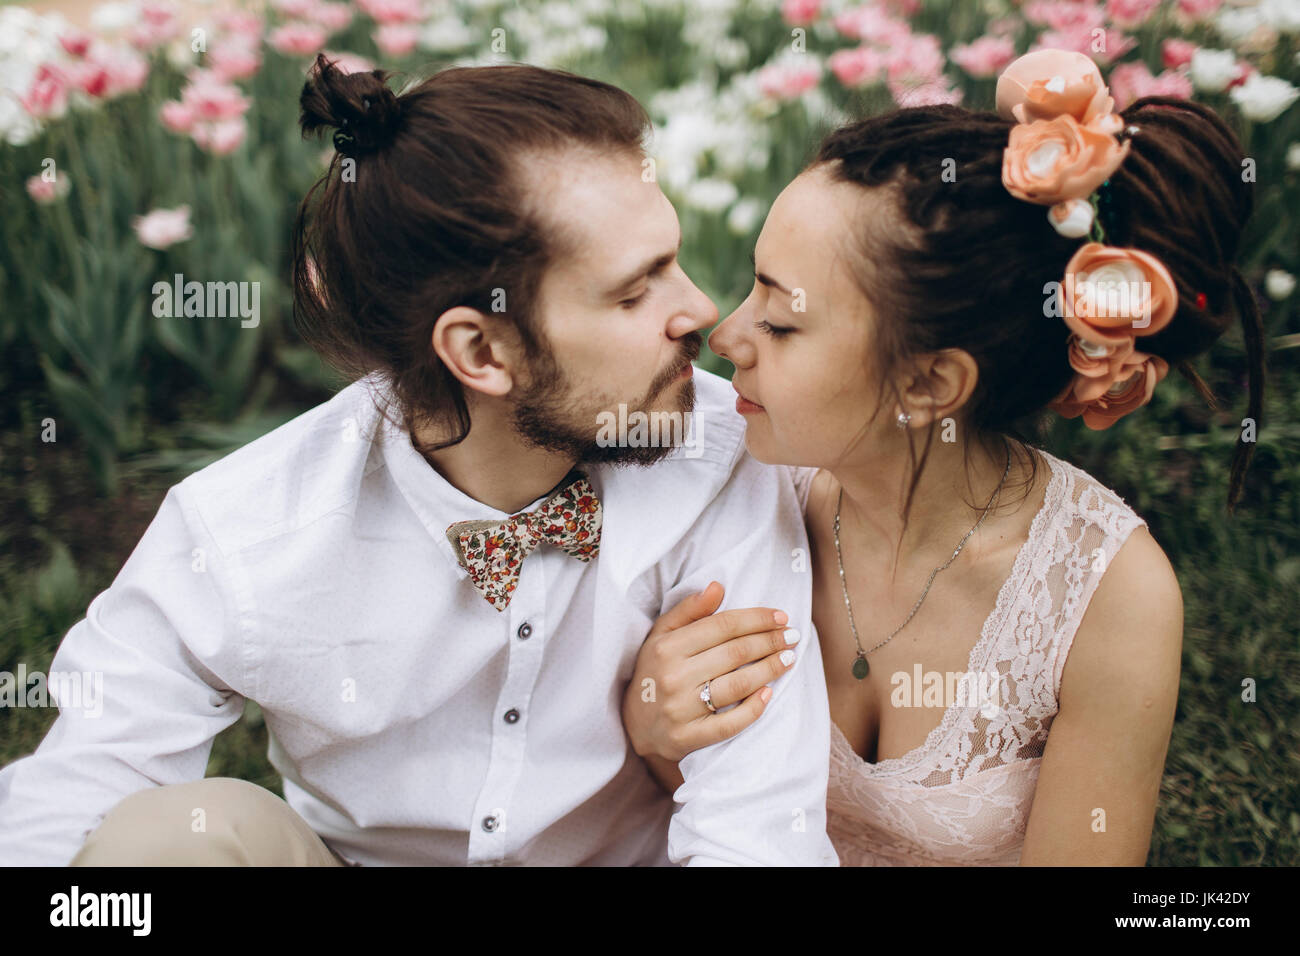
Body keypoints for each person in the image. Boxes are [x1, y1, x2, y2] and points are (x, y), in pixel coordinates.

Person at [0, 53, 838, 867]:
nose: (699, 309)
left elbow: (758, 830)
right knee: (173, 839)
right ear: (480, 350)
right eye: (635, 290)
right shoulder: (246, 525)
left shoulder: (723, 456)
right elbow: (75, 793)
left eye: (675, 262)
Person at [622, 50, 1265, 866]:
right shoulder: (728, 481)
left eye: (781, 323)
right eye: (755, 286)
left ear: (929, 382)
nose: (726, 335)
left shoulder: (1107, 600)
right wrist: (652, 733)